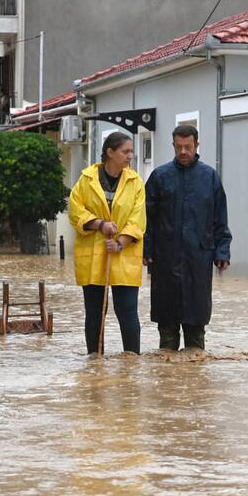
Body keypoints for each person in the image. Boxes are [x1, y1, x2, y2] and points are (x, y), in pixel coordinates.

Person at [144, 124, 231, 351]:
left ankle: (195, 380)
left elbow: (220, 220)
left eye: (188, 147)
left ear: (197, 145)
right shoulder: (159, 177)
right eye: (179, 147)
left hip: (198, 260)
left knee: (196, 328)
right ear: (173, 146)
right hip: (165, 260)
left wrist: (222, 252)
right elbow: (146, 219)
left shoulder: (209, 177)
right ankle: (168, 380)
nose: (184, 152)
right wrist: (147, 251)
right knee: (167, 328)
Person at [68, 132, 146, 354]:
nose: (130, 156)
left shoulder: (135, 182)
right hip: (93, 254)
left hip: (124, 254)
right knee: (94, 313)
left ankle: (131, 362)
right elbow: (75, 211)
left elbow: (138, 219)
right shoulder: (86, 180)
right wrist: (99, 224)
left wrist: (121, 242)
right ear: (110, 153)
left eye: (131, 151)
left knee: (127, 311)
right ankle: (94, 360)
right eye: (125, 151)